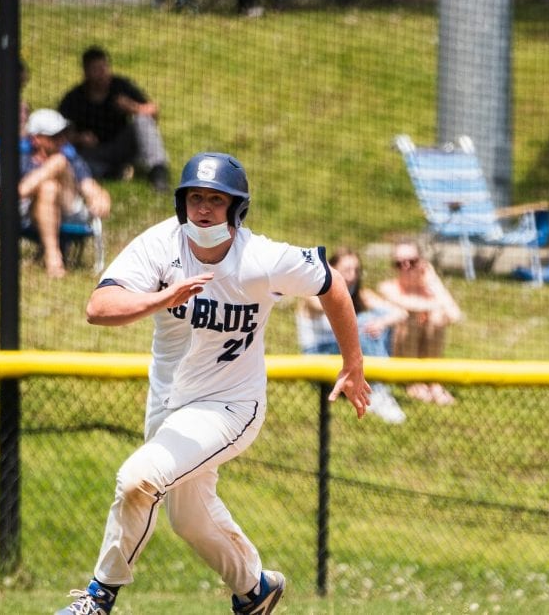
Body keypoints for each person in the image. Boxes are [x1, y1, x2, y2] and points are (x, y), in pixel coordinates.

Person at [57, 152, 371, 615]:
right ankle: (255, 589)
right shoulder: (161, 245)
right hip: (168, 402)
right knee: (188, 518)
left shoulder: (260, 258)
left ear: (236, 209)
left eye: (216, 200)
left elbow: (332, 283)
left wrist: (354, 363)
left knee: (137, 480)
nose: (203, 208)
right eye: (195, 198)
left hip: (232, 405)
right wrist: (160, 297)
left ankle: (98, 598)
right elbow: (97, 307)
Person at [0, 109, 110, 279]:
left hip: (68, 208)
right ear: (36, 139)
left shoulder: (69, 157)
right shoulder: (21, 160)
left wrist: (102, 199)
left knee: (58, 162)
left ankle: (14, 194)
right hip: (31, 213)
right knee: (48, 187)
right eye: (55, 136)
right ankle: (53, 257)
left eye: (63, 134)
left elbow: (91, 188)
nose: (62, 140)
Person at [297, 247, 407, 424]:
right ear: (332, 270)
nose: (352, 276)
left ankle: (378, 386)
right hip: (319, 354)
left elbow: (400, 313)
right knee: (363, 325)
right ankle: (378, 390)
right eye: (346, 270)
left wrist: (381, 323)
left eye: (356, 270)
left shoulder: (360, 295)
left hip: (345, 354)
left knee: (376, 323)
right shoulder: (314, 293)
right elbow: (336, 309)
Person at [58, 46, 170, 193]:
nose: (102, 74)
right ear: (85, 72)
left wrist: (132, 107)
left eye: (104, 67)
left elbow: (153, 111)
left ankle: (158, 172)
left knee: (143, 120)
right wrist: (79, 138)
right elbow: (58, 134)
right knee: (71, 160)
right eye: (96, 69)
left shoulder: (120, 86)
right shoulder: (74, 99)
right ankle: (115, 172)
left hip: (123, 145)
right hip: (94, 152)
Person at [374, 241, 463, 406]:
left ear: (422, 263)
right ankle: (412, 380)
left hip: (425, 352)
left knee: (436, 317)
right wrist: (437, 305)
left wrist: (434, 282)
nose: (406, 267)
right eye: (399, 264)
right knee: (412, 318)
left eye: (412, 262)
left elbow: (455, 315)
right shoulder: (387, 287)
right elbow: (410, 306)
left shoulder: (430, 290)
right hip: (397, 357)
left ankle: (433, 381)